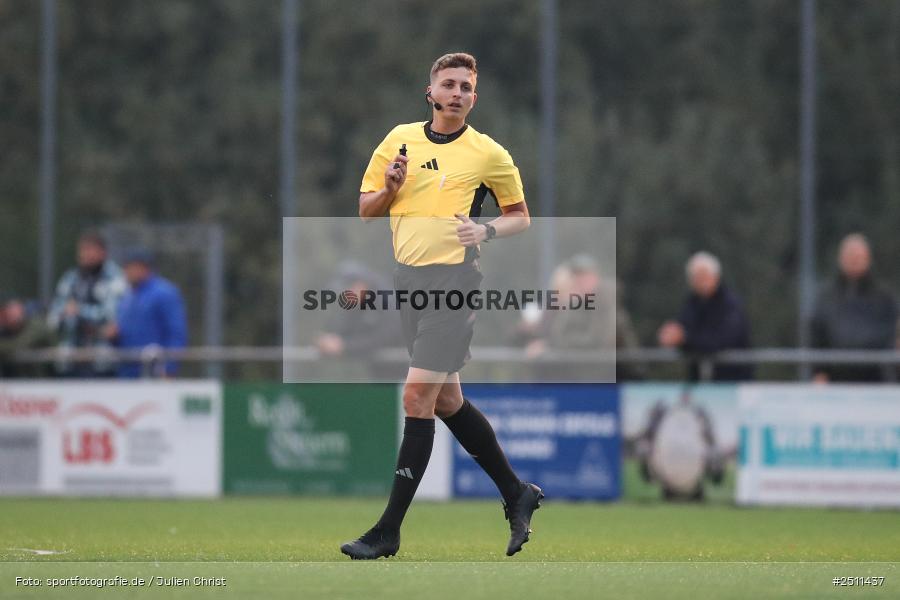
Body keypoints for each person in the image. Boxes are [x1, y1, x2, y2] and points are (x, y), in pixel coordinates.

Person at [341, 53, 541, 560]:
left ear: (475, 97)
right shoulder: (399, 139)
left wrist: (487, 228)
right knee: (447, 400)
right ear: (429, 92)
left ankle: (388, 531)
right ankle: (517, 493)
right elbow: (366, 210)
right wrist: (388, 188)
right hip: (408, 283)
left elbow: (521, 217)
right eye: (448, 84)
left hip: (455, 284)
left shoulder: (488, 153)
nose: (457, 93)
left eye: (466, 87)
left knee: (416, 399)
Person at [811, 234, 898, 382]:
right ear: (841, 259)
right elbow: (818, 336)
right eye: (850, 256)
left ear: (868, 259)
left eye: (858, 257)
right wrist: (818, 372)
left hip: (878, 380)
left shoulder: (885, 298)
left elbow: (894, 336)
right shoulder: (827, 297)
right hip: (836, 381)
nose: (854, 261)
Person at [657, 251, 753, 381]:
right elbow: (684, 330)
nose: (699, 281)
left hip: (732, 382)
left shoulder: (730, 305)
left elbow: (721, 341)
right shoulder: (691, 303)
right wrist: (673, 335)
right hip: (700, 382)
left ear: (716, 277)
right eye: (695, 277)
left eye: (703, 276)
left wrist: (684, 338)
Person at [47, 230, 126, 376]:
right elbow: (54, 316)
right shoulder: (70, 278)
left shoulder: (115, 278)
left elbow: (111, 317)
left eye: (90, 250)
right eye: (82, 250)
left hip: (102, 362)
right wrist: (65, 315)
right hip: (70, 360)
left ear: (103, 252)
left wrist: (79, 311)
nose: (85, 254)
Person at [107, 249, 187, 378]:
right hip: (128, 373)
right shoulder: (127, 296)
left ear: (143, 268)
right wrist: (114, 337)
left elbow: (176, 333)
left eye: (129, 267)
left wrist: (169, 367)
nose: (126, 273)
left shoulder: (164, 293)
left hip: (155, 372)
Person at [0, 298, 55, 378]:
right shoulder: (6, 330)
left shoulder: (36, 326)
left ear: (22, 313)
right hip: (15, 379)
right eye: (8, 315)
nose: (12, 317)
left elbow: (19, 345)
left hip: (42, 378)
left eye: (14, 314)